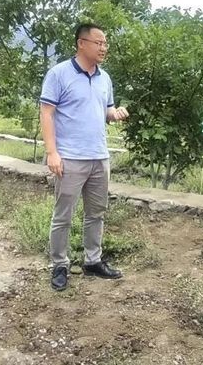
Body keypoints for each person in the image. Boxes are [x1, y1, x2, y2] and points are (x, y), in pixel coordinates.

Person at [40, 23, 129, 291]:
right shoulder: (59, 74)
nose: (104, 48)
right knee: (63, 215)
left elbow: (107, 110)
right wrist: (52, 153)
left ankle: (93, 261)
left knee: (96, 213)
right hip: (70, 158)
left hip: (99, 157)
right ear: (81, 43)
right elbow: (46, 113)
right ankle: (59, 264)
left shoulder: (105, 78)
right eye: (98, 42)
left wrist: (116, 113)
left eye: (105, 43)